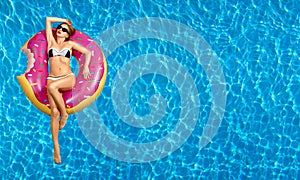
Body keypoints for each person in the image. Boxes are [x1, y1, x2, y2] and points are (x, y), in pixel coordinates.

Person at [46, 17, 91, 164]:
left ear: (67, 35)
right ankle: (56, 150)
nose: (60, 30)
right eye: (60, 27)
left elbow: (87, 53)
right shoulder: (50, 42)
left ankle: (64, 114)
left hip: (67, 78)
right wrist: (63, 20)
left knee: (51, 88)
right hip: (52, 78)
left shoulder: (70, 44)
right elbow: (48, 20)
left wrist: (85, 67)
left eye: (64, 30)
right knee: (53, 113)